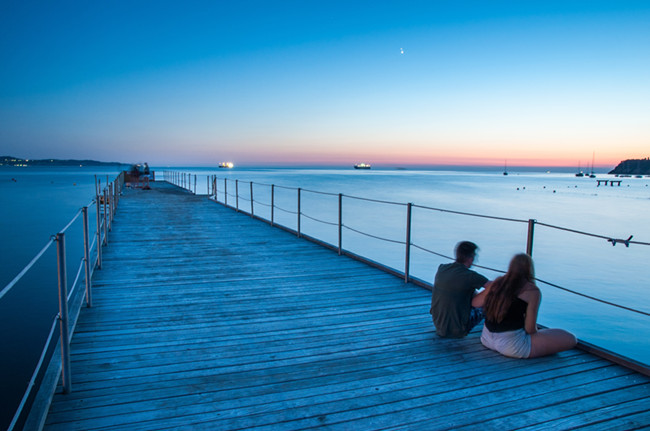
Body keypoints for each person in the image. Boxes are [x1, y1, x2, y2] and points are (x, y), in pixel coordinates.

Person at [473, 253, 577, 358]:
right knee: (570, 338)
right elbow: (530, 329)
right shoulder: (532, 291)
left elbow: (475, 303)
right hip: (512, 345)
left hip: (486, 339)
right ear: (529, 269)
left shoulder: (498, 282)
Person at [430, 241, 488, 338]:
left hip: (439, 325)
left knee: (471, 291)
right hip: (458, 330)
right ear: (471, 258)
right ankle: (494, 333)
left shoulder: (442, 268)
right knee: (491, 297)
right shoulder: (470, 276)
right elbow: (495, 286)